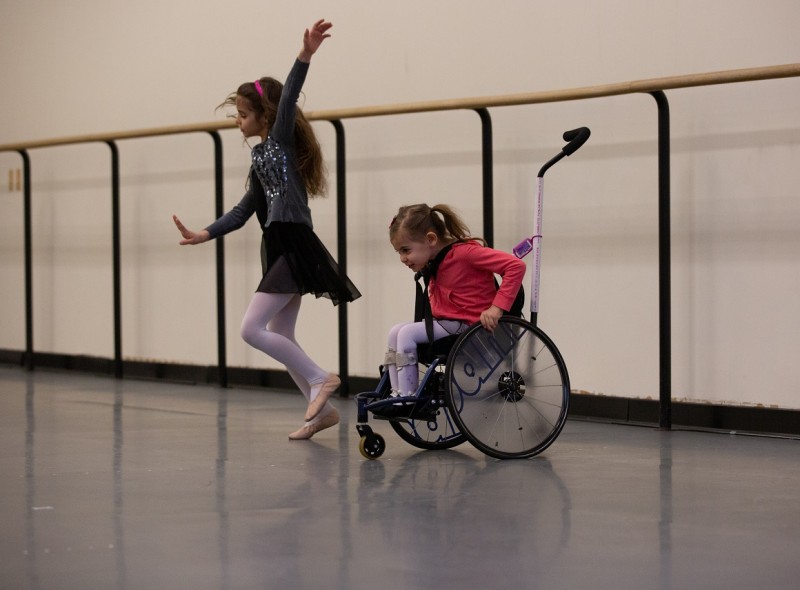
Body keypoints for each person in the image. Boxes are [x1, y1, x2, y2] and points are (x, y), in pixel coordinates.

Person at [172, 19, 360, 440]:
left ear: (264, 116)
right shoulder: (261, 159)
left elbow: (289, 94)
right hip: (278, 242)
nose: (237, 121)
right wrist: (204, 233)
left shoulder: (279, 140)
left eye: (242, 114)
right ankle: (321, 413)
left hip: (293, 239)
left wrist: (305, 54)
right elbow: (243, 211)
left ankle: (320, 379)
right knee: (279, 331)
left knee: (251, 329)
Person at [385, 204, 526, 398]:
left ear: (431, 239)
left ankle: (408, 396)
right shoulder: (435, 261)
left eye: (405, 250)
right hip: (450, 324)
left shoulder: (465, 254)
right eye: (399, 252)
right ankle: (396, 392)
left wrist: (496, 309)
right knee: (395, 332)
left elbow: (515, 266)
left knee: (407, 334)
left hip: (471, 327)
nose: (402, 258)